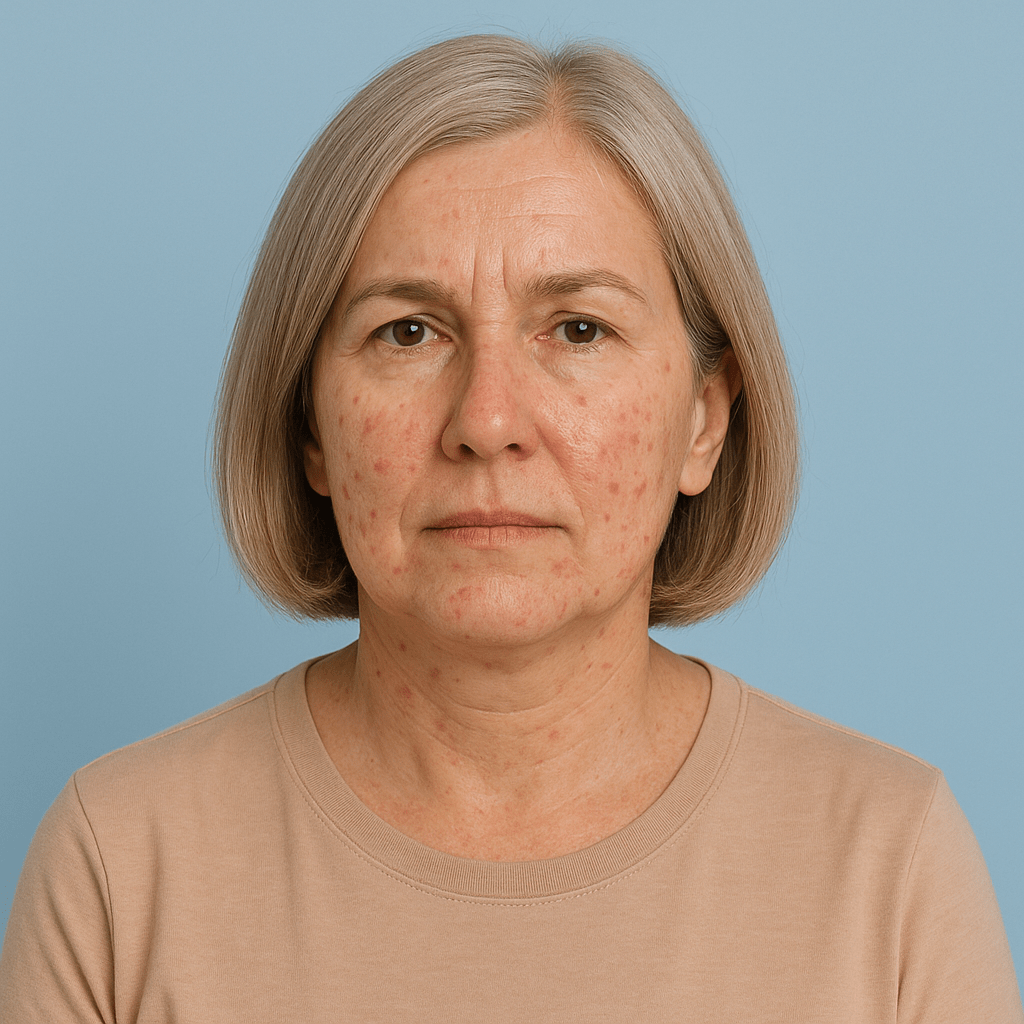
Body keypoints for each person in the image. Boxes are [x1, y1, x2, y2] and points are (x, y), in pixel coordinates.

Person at [1, 33, 1020, 1022]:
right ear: (308, 425)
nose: (486, 421)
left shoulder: (888, 862)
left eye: (578, 329)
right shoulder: (122, 863)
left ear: (703, 421)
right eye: (408, 331)